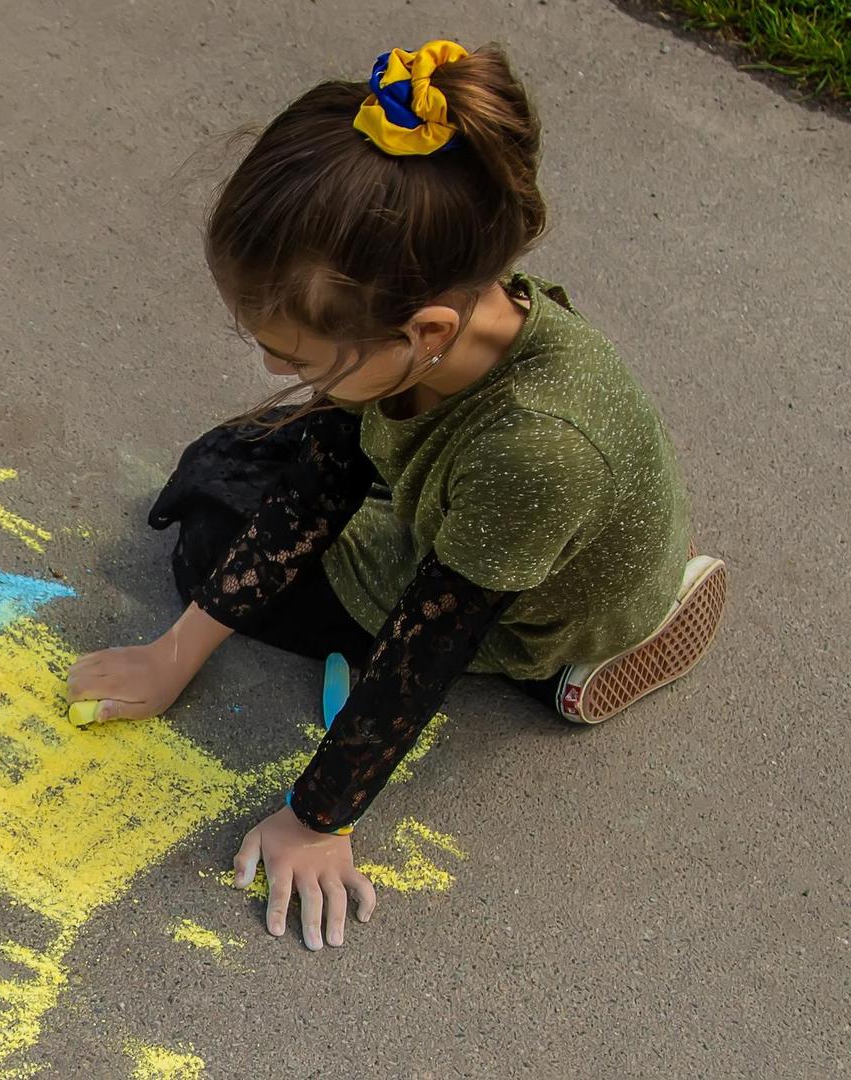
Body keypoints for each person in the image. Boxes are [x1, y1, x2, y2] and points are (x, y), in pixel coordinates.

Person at [65, 40, 727, 952]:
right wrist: (176, 652)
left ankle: (569, 665)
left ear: (426, 331)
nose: (270, 366)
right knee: (235, 460)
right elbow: (327, 473)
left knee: (210, 533)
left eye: (294, 355)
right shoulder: (452, 330)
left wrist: (316, 818)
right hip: (501, 525)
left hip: (518, 604)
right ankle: (617, 600)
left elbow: (430, 645)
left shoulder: (537, 447)